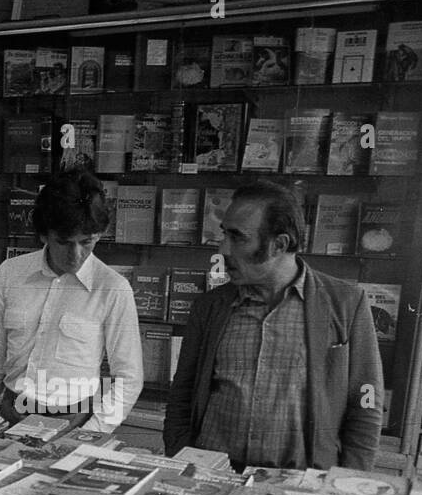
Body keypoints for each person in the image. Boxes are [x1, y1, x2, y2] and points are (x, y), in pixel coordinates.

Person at [164, 180, 383, 470]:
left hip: (299, 482)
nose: (222, 249)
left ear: (279, 244)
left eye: (238, 237)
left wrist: (346, 482)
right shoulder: (210, 307)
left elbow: (366, 403)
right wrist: (180, 457)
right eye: (223, 234)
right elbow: (182, 392)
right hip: (210, 475)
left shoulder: (345, 303)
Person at [0, 170, 143, 434]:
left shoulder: (113, 288)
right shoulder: (10, 273)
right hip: (9, 413)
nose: (76, 255)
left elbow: (129, 379)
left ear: (99, 235)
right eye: (64, 242)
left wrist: (92, 433)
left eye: (87, 242)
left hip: (74, 422)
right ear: (44, 235)